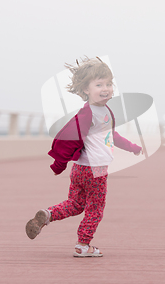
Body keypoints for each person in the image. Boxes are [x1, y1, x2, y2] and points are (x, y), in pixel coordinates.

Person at [25, 56, 143, 257]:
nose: (105, 88)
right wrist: (58, 163)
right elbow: (70, 136)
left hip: (80, 169)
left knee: (76, 204)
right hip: (96, 170)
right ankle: (83, 245)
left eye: (108, 83)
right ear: (86, 90)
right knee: (95, 209)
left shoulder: (103, 110)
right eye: (99, 84)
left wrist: (131, 147)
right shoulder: (88, 113)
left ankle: (48, 214)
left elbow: (111, 135)